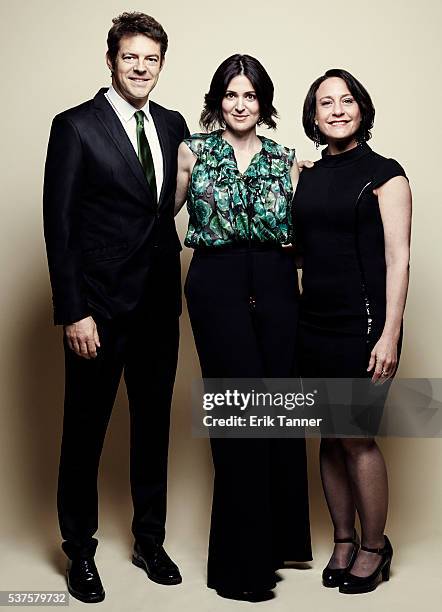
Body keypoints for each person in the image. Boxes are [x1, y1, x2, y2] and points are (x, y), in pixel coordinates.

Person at [43, 12, 189, 603]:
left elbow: (182, 197)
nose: (141, 68)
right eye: (131, 57)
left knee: (152, 431)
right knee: (85, 433)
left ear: (161, 64)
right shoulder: (76, 127)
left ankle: (149, 542)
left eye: (151, 58)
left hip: (158, 305)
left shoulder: (175, 124)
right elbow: (60, 227)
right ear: (111, 60)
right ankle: (80, 552)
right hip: (97, 311)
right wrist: (73, 311)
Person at [175, 54, 312, 601]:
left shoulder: (286, 160)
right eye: (231, 94)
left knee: (276, 414)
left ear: (264, 103)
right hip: (217, 284)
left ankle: (274, 545)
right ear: (217, 100)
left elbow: (305, 238)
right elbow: (155, 217)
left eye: (250, 96)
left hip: (277, 287)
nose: (240, 104)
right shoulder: (193, 151)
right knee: (239, 417)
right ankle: (239, 565)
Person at [294, 69, 412, 594]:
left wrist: (389, 334)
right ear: (314, 115)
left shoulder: (387, 175)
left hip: (364, 324)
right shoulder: (308, 175)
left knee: (356, 436)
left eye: (346, 100)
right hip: (312, 321)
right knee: (327, 435)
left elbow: (399, 261)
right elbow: (301, 250)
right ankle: (343, 540)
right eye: (326, 102)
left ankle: (373, 545)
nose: (337, 109)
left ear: (361, 108)